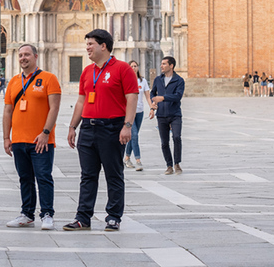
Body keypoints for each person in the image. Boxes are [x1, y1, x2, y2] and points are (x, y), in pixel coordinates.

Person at [65, 29, 137, 232]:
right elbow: (81, 100)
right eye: (86, 44)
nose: (87, 47)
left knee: (113, 174)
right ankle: (83, 217)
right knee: (87, 175)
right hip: (88, 127)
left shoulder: (122, 68)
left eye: (90, 44)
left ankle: (113, 216)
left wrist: (127, 125)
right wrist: (73, 127)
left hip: (112, 127)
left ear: (103, 45)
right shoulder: (88, 71)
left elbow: (132, 97)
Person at [3, 44, 61, 230]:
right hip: (19, 140)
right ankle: (27, 214)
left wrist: (45, 133)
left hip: (41, 140)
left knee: (44, 177)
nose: (23, 58)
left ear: (36, 56)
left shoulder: (49, 79)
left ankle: (47, 214)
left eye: (27, 54)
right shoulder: (13, 81)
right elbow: (8, 110)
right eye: (20, 55)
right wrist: (6, 137)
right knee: (24, 178)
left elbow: (54, 108)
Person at [150, 56, 185, 175]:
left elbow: (178, 96)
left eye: (164, 64)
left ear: (171, 66)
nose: (161, 66)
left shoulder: (179, 80)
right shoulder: (158, 80)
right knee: (164, 142)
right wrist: (153, 103)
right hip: (161, 115)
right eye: (161, 63)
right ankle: (169, 165)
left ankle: (177, 164)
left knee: (176, 137)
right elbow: (152, 92)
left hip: (175, 114)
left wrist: (163, 98)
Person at [124, 60, 148, 172]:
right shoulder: (125, 80)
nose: (134, 68)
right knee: (134, 135)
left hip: (140, 112)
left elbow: (147, 96)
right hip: (129, 113)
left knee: (133, 136)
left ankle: (127, 158)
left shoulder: (143, 81)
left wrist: (152, 107)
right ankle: (138, 160)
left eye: (135, 66)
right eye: (132, 66)